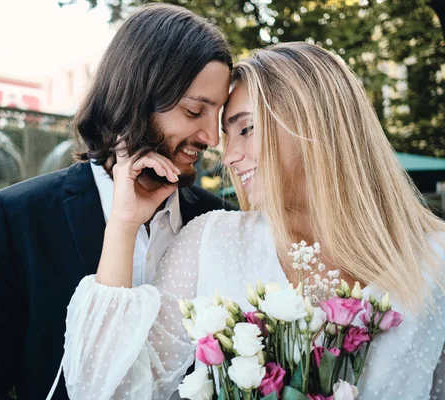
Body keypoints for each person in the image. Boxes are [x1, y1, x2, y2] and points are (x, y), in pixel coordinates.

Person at [62, 42, 445, 399]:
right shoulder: (211, 241)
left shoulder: (436, 260)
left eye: (246, 128)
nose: (228, 157)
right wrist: (124, 224)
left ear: (316, 126)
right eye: (229, 136)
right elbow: (108, 390)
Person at [0, 4, 237, 399]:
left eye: (219, 115)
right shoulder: (15, 218)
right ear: (135, 98)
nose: (212, 137)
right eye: (194, 110)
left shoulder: (220, 220)